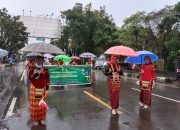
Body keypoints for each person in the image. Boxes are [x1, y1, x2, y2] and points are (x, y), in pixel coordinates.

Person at [28, 56, 50, 125]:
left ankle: (42, 118)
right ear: (35, 61)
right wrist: (38, 72)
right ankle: (36, 119)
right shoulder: (32, 69)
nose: (39, 61)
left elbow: (47, 80)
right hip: (35, 88)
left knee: (42, 104)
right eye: (38, 60)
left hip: (43, 89)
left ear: (43, 61)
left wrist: (47, 89)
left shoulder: (46, 70)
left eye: (41, 60)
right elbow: (30, 78)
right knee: (36, 105)